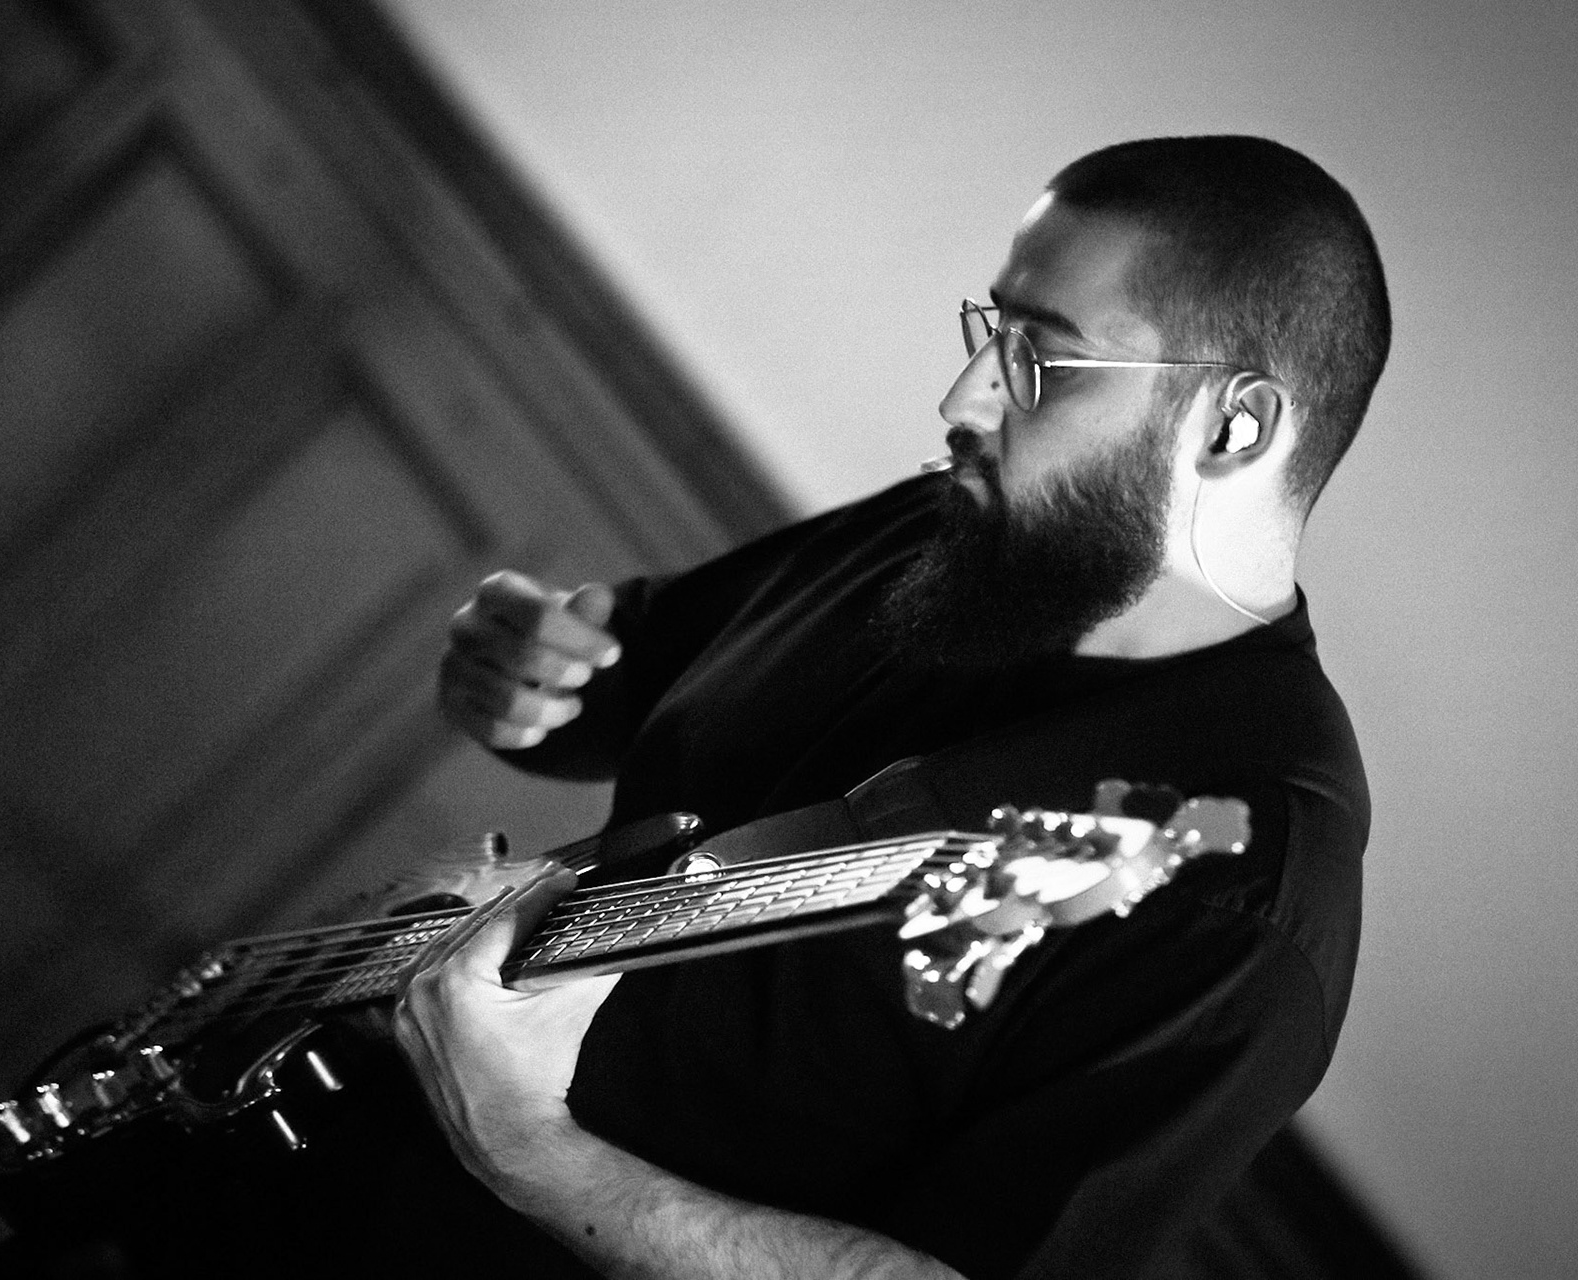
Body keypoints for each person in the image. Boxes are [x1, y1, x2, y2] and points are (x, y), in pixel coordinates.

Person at [401, 135, 1389, 1278]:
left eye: (1038, 360)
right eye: (990, 331)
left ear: (1235, 427)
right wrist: (516, 674)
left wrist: (528, 1150)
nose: (962, 397)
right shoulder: (943, 532)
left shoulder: (1250, 895)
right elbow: (607, 691)